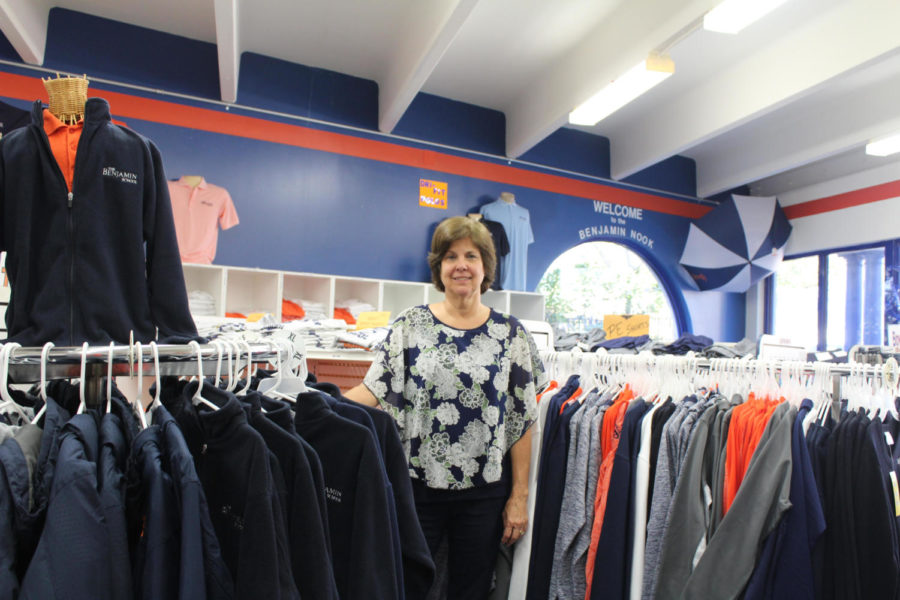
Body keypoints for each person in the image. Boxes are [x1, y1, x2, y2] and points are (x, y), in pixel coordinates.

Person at [345, 215, 547, 599]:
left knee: (471, 589)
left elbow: (522, 421)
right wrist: (315, 406)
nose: (461, 265)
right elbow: (374, 390)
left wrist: (519, 496)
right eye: (451, 256)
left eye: (471, 255)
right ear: (439, 266)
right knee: (406, 584)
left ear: (485, 265)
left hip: (485, 492)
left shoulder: (511, 333)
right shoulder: (411, 324)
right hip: (417, 486)